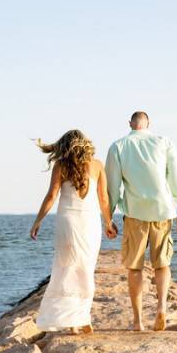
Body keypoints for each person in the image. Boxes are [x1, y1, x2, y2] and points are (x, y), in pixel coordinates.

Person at [105, 111, 177, 332]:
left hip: (135, 213)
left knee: (135, 267)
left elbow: (112, 187)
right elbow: (176, 177)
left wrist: (108, 218)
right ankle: (161, 308)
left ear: (130, 124)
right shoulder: (163, 142)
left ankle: (138, 321)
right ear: (148, 124)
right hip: (162, 210)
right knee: (162, 264)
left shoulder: (118, 146)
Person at [30, 129, 117, 333]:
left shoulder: (61, 165)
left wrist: (38, 221)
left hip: (67, 222)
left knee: (66, 268)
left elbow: (51, 196)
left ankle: (72, 321)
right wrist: (108, 223)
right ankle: (83, 317)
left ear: (66, 146)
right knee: (86, 268)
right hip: (89, 223)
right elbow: (104, 199)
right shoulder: (97, 165)